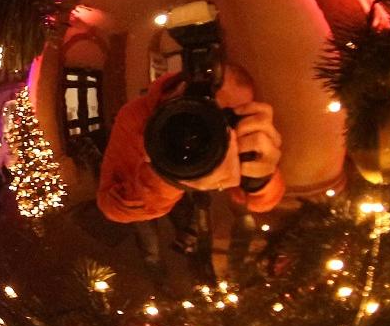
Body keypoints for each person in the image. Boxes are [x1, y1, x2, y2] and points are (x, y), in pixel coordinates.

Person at [98, 64, 284, 223]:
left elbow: (261, 203)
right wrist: (165, 179)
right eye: (200, 112)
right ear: (174, 94)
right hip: (159, 218)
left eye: (225, 118)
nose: (209, 128)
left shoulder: (237, 131)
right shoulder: (135, 115)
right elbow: (110, 206)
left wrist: (259, 180)